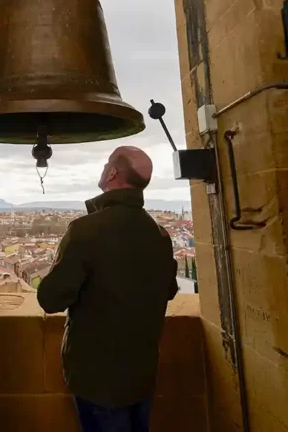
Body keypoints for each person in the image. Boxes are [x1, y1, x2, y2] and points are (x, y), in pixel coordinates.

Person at [37, 146, 179, 432]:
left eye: (106, 164)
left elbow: (50, 299)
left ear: (113, 172)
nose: (103, 168)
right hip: (142, 373)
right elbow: (170, 289)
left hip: (97, 378)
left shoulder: (85, 230)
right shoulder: (158, 234)